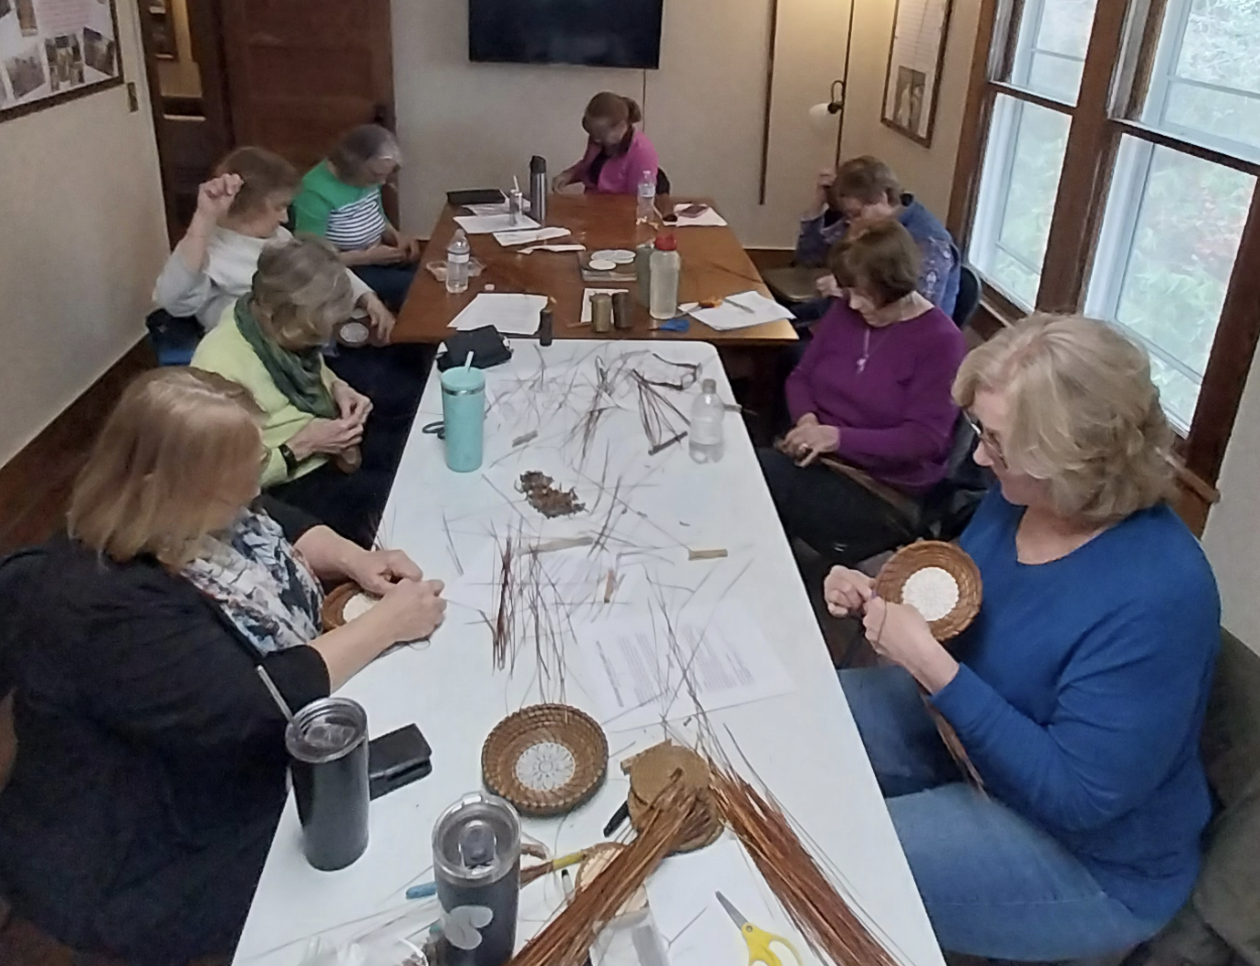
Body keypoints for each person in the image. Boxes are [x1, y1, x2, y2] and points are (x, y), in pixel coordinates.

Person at [0, 368, 446, 966]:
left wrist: (356, 560)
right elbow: (253, 706)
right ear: (164, 484)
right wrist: (386, 623)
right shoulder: (103, 606)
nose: (249, 487)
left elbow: (265, 519)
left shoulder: (181, 511)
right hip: (144, 847)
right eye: (233, 479)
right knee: (355, 868)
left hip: (204, 763)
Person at [825, 315, 1220, 961]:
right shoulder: (1022, 494)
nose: (979, 457)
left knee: (838, 860)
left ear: (1072, 458)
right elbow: (963, 602)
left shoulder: (1160, 595)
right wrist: (879, 592)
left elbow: (1076, 797)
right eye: (982, 432)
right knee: (800, 724)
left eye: (998, 442)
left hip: (1092, 857)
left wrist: (930, 665)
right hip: (969, 738)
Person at [758, 220, 967, 566]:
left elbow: (924, 440)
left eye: (864, 294)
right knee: (750, 474)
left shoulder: (941, 342)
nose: (852, 304)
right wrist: (808, 422)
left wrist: (836, 438)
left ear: (895, 284)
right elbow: (801, 378)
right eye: (848, 291)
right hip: (821, 460)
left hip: (881, 489)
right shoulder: (847, 312)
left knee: (758, 480)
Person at [191, 237, 406, 546]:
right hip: (282, 485)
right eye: (314, 331)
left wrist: (338, 387)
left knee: (407, 451)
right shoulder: (218, 364)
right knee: (390, 508)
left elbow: (314, 366)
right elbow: (217, 480)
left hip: (325, 449)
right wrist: (301, 446)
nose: (320, 340)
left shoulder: (279, 332)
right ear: (283, 315)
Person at [153, 145, 394, 336]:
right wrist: (204, 217)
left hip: (318, 336)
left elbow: (322, 267)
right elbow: (174, 301)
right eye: (279, 207)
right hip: (270, 361)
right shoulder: (210, 254)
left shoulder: (275, 235)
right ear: (249, 207)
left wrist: (366, 296)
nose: (285, 217)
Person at [795, 156, 961, 319]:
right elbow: (809, 259)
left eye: (856, 214)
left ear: (883, 198)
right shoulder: (865, 222)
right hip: (852, 314)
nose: (851, 221)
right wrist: (818, 203)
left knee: (795, 344)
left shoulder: (930, 242)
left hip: (893, 332)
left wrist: (844, 290)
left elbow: (919, 311)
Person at [293, 124, 422, 313]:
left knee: (428, 274)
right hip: (346, 268)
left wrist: (396, 235)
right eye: (376, 175)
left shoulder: (367, 178)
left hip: (375, 254)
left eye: (386, 175)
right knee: (414, 288)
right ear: (352, 164)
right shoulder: (313, 191)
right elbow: (313, 258)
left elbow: (376, 213)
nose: (381, 182)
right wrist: (366, 258)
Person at [552, 92, 662, 196]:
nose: (596, 139)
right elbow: (589, 167)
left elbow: (639, 199)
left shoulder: (642, 153)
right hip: (593, 206)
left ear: (621, 126)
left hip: (620, 211)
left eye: (601, 134)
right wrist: (568, 175)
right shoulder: (598, 140)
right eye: (591, 132)